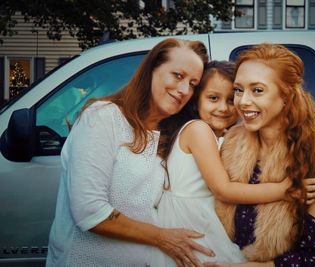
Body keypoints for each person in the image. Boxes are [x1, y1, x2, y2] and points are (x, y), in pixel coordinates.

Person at [46, 38, 216, 267]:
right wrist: (162, 237)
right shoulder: (103, 118)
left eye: (193, 84)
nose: (185, 90)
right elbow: (90, 212)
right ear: (151, 69)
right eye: (178, 75)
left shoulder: (171, 135)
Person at [151, 61, 315, 266]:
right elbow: (224, 190)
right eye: (213, 98)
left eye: (231, 99)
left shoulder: (225, 137)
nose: (224, 108)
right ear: (196, 101)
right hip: (190, 221)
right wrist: (285, 189)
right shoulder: (199, 130)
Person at [210, 43, 315, 267]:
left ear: (286, 97)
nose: (243, 101)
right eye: (239, 89)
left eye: (258, 90)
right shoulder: (230, 143)